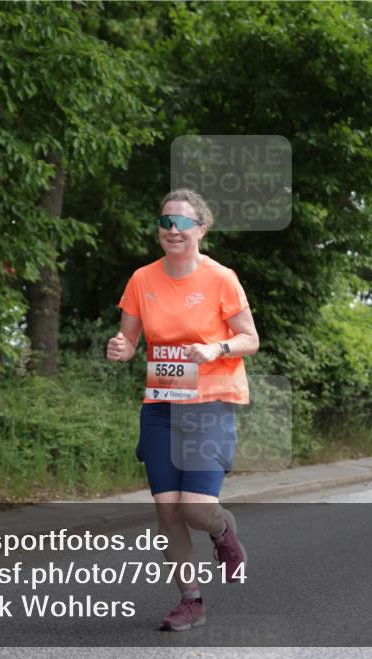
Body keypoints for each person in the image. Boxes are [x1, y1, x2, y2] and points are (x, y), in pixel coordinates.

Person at [107, 189, 259, 631]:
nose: (172, 230)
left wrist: (216, 349)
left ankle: (221, 528)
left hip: (210, 405)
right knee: (168, 512)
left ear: (201, 230)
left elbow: (250, 338)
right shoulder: (142, 279)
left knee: (196, 510)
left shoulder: (221, 277)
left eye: (182, 223)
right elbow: (130, 341)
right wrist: (122, 348)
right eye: (165, 222)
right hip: (161, 407)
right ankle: (190, 600)